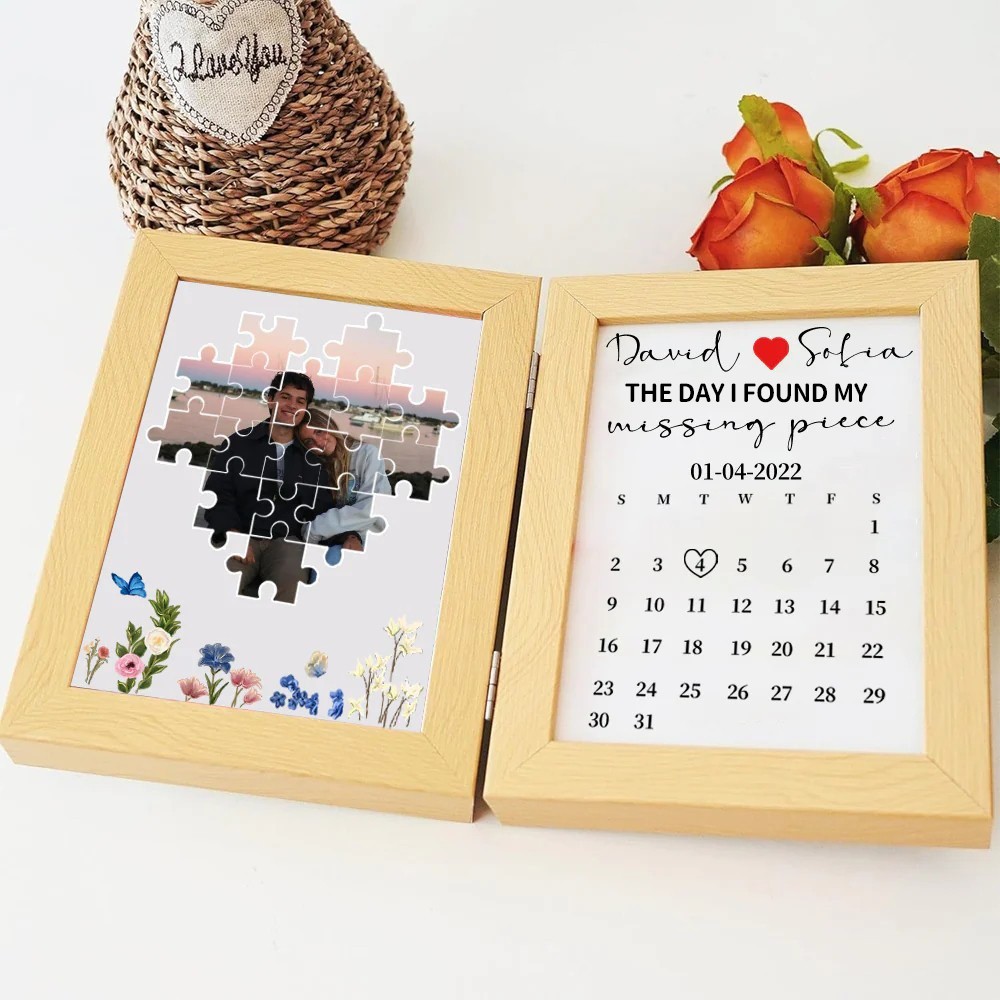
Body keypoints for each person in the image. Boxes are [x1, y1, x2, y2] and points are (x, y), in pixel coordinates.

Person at [204, 372, 335, 602]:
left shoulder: (312, 460)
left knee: (292, 586)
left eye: (300, 401)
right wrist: (233, 534)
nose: (292, 405)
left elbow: (322, 510)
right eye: (285, 397)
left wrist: (351, 536)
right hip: (240, 535)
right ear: (270, 399)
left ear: (305, 409)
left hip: (286, 542)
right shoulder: (238, 444)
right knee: (218, 587)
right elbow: (217, 495)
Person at [296, 406, 391, 552]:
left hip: (371, 538)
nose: (319, 442)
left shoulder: (366, 454)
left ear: (330, 425)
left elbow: (373, 507)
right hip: (337, 538)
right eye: (309, 442)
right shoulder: (317, 467)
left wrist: (316, 528)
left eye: (319, 431)